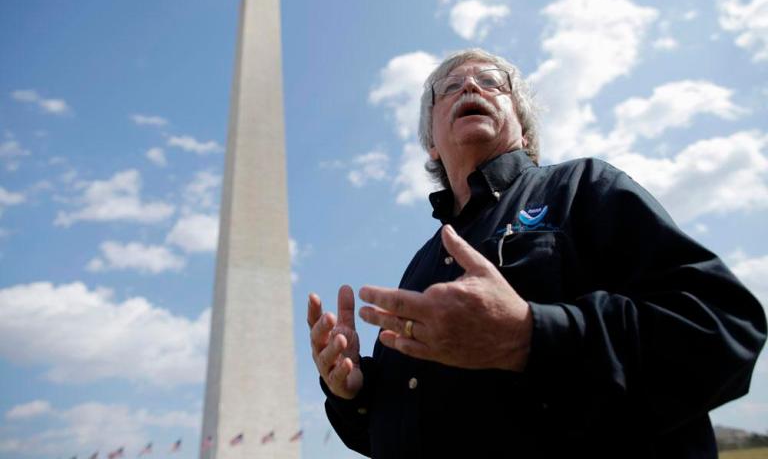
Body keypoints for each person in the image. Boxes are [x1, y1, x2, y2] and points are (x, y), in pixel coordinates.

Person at [307, 48, 767, 458]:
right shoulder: (419, 266)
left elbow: (725, 327)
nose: (470, 85)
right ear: (430, 141)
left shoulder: (585, 188)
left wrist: (530, 336)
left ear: (524, 131)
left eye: (492, 82)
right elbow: (399, 433)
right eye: (449, 86)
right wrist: (353, 393)